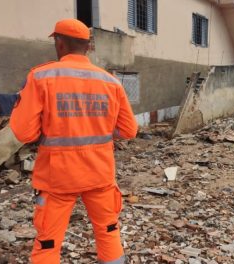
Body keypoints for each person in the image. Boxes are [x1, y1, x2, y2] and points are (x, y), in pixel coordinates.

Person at [9, 18, 138, 264]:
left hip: (58, 177)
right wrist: (103, 132)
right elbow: (129, 130)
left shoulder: (41, 77)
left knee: (48, 241)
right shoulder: (110, 82)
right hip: (99, 174)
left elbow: (23, 133)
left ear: (59, 43)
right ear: (88, 47)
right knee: (108, 231)